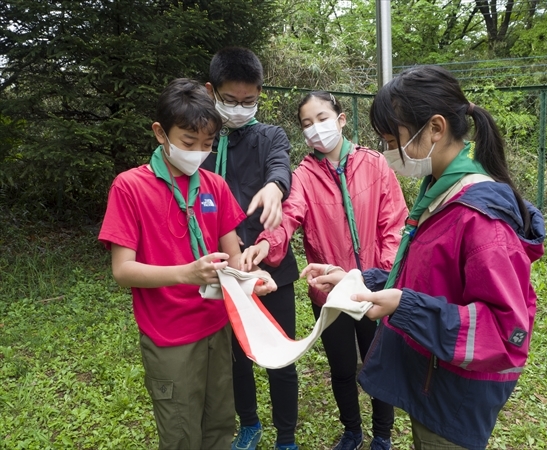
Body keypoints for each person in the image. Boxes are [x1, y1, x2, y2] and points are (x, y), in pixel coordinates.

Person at [301, 65, 546, 450]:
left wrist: (406, 307)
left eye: (392, 139)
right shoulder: (439, 193)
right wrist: (359, 280)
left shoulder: (479, 217)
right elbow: (425, 277)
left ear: (435, 128)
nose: (387, 152)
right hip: (434, 380)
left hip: (455, 399)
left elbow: (505, 333)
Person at [98, 78, 276, 450]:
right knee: (181, 434)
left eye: (208, 145)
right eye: (188, 142)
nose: (198, 152)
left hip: (216, 326)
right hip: (170, 337)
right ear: (160, 132)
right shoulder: (130, 187)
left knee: (219, 427)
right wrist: (187, 273)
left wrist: (253, 274)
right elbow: (122, 270)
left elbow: (232, 257)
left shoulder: (214, 185)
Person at [242, 91, 409, 450]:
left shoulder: (375, 163)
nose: (316, 129)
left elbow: (393, 225)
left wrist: (379, 275)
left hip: (370, 288)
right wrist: (266, 243)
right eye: (306, 124)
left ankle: (382, 436)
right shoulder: (302, 175)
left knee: (377, 363)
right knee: (343, 368)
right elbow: (288, 216)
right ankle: (352, 431)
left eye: (321, 118)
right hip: (329, 292)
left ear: (341, 118)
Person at [202, 47, 300, 450]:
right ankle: (249, 423)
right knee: (236, 356)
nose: (239, 108)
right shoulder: (201, 142)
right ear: (212, 91)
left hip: (270, 266)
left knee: (281, 354)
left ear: (260, 93)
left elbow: (281, 166)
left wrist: (276, 187)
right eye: (229, 100)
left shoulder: (270, 136)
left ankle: (287, 437)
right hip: (224, 268)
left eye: (248, 101)